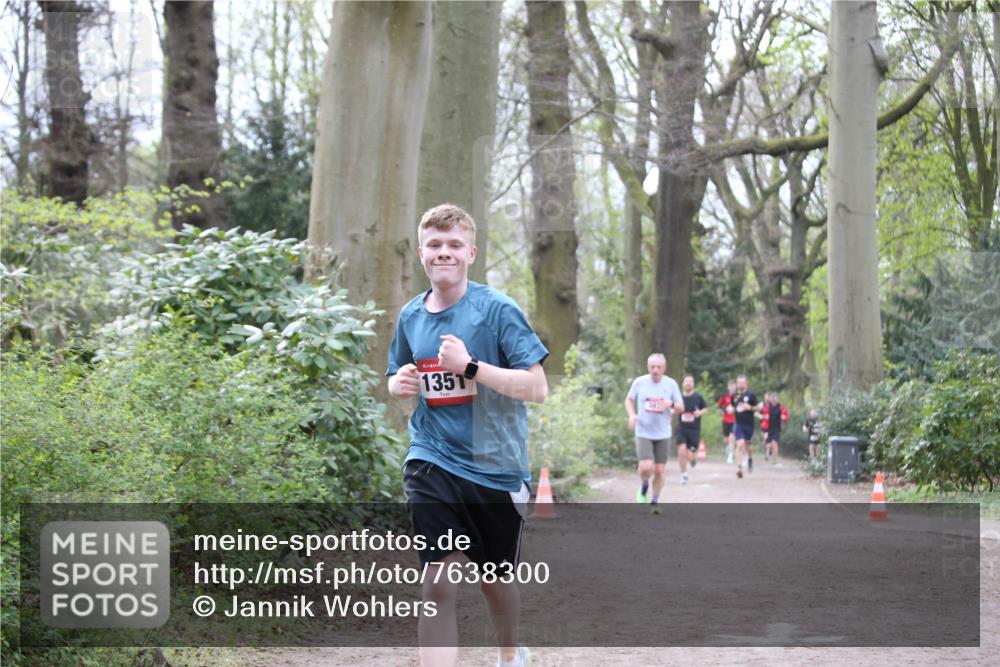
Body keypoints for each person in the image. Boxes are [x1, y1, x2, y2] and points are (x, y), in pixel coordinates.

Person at [386, 204, 548, 667]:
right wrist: (397, 384)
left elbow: (537, 388)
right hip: (431, 457)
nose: (444, 253)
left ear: (471, 253)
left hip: (495, 467)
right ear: (421, 252)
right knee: (437, 578)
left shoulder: (497, 310)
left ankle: (510, 652)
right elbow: (397, 373)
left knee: (495, 579)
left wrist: (472, 367)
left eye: (454, 245)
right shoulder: (410, 316)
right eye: (435, 245)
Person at [625, 353, 683, 513]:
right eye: (652, 367)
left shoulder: (671, 384)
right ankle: (644, 486)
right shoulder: (640, 382)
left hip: (663, 433)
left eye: (658, 367)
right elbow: (629, 400)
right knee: (645, 467)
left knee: (659, 470)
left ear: (664, 368)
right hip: (643, 431)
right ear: (648, 367)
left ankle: (654, 501)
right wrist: (632, 415)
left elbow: (681, 407)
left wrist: (669, 404)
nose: (655, 370)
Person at [677, 374, 709, 485]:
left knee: (690, 455)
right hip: (681, 428)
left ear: (693, 384)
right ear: (683, 383)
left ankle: (692, 459)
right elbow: (674, 408)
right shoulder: (679, 397)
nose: (688, 383)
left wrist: (700, 412)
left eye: (690, 381)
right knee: (681, 451)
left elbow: (705, 408)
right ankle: (684, 474)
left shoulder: (698, 397)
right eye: (686, 381)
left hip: (694, 430)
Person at [731, 374, 759, 479]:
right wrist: (729, 409)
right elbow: (731, 405)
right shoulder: (734, 395)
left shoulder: (751, 395)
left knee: (748, 446)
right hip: (738, 423)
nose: (740, 384)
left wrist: (750, 407)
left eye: (742, 382)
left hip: (749, 424)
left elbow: (757, 408)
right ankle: (739, 468)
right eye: (739, 383)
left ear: (746, 383)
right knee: (740, 444)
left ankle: (750, 459)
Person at [763, 393, 789, 460]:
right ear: (770, 399)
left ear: (777, 399)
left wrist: (784, 418)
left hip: (776, 428)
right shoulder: (767, 406)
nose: (774, 400)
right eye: (772, 398)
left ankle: (775, 459)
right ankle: (767, 454)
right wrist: (766, 416)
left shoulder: (781, 407)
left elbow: (786, 416)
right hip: (768, 428)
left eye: (775, 398)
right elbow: (764, 414)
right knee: (768, 444)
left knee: (774, 443)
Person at [717, 380, 737, 464]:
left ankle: (730, 456)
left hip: (735, 420)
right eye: (730, 386)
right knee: (726, 439)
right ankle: (728, 447)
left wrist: (734, 409)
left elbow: (741, 406)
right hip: (725, 420)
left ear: (735, 387)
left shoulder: (738, 396)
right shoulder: (725, 396)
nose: (732, 387)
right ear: (728, 387)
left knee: (732, 437)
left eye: (733, 386)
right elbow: (720, 406)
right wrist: (725, 409)